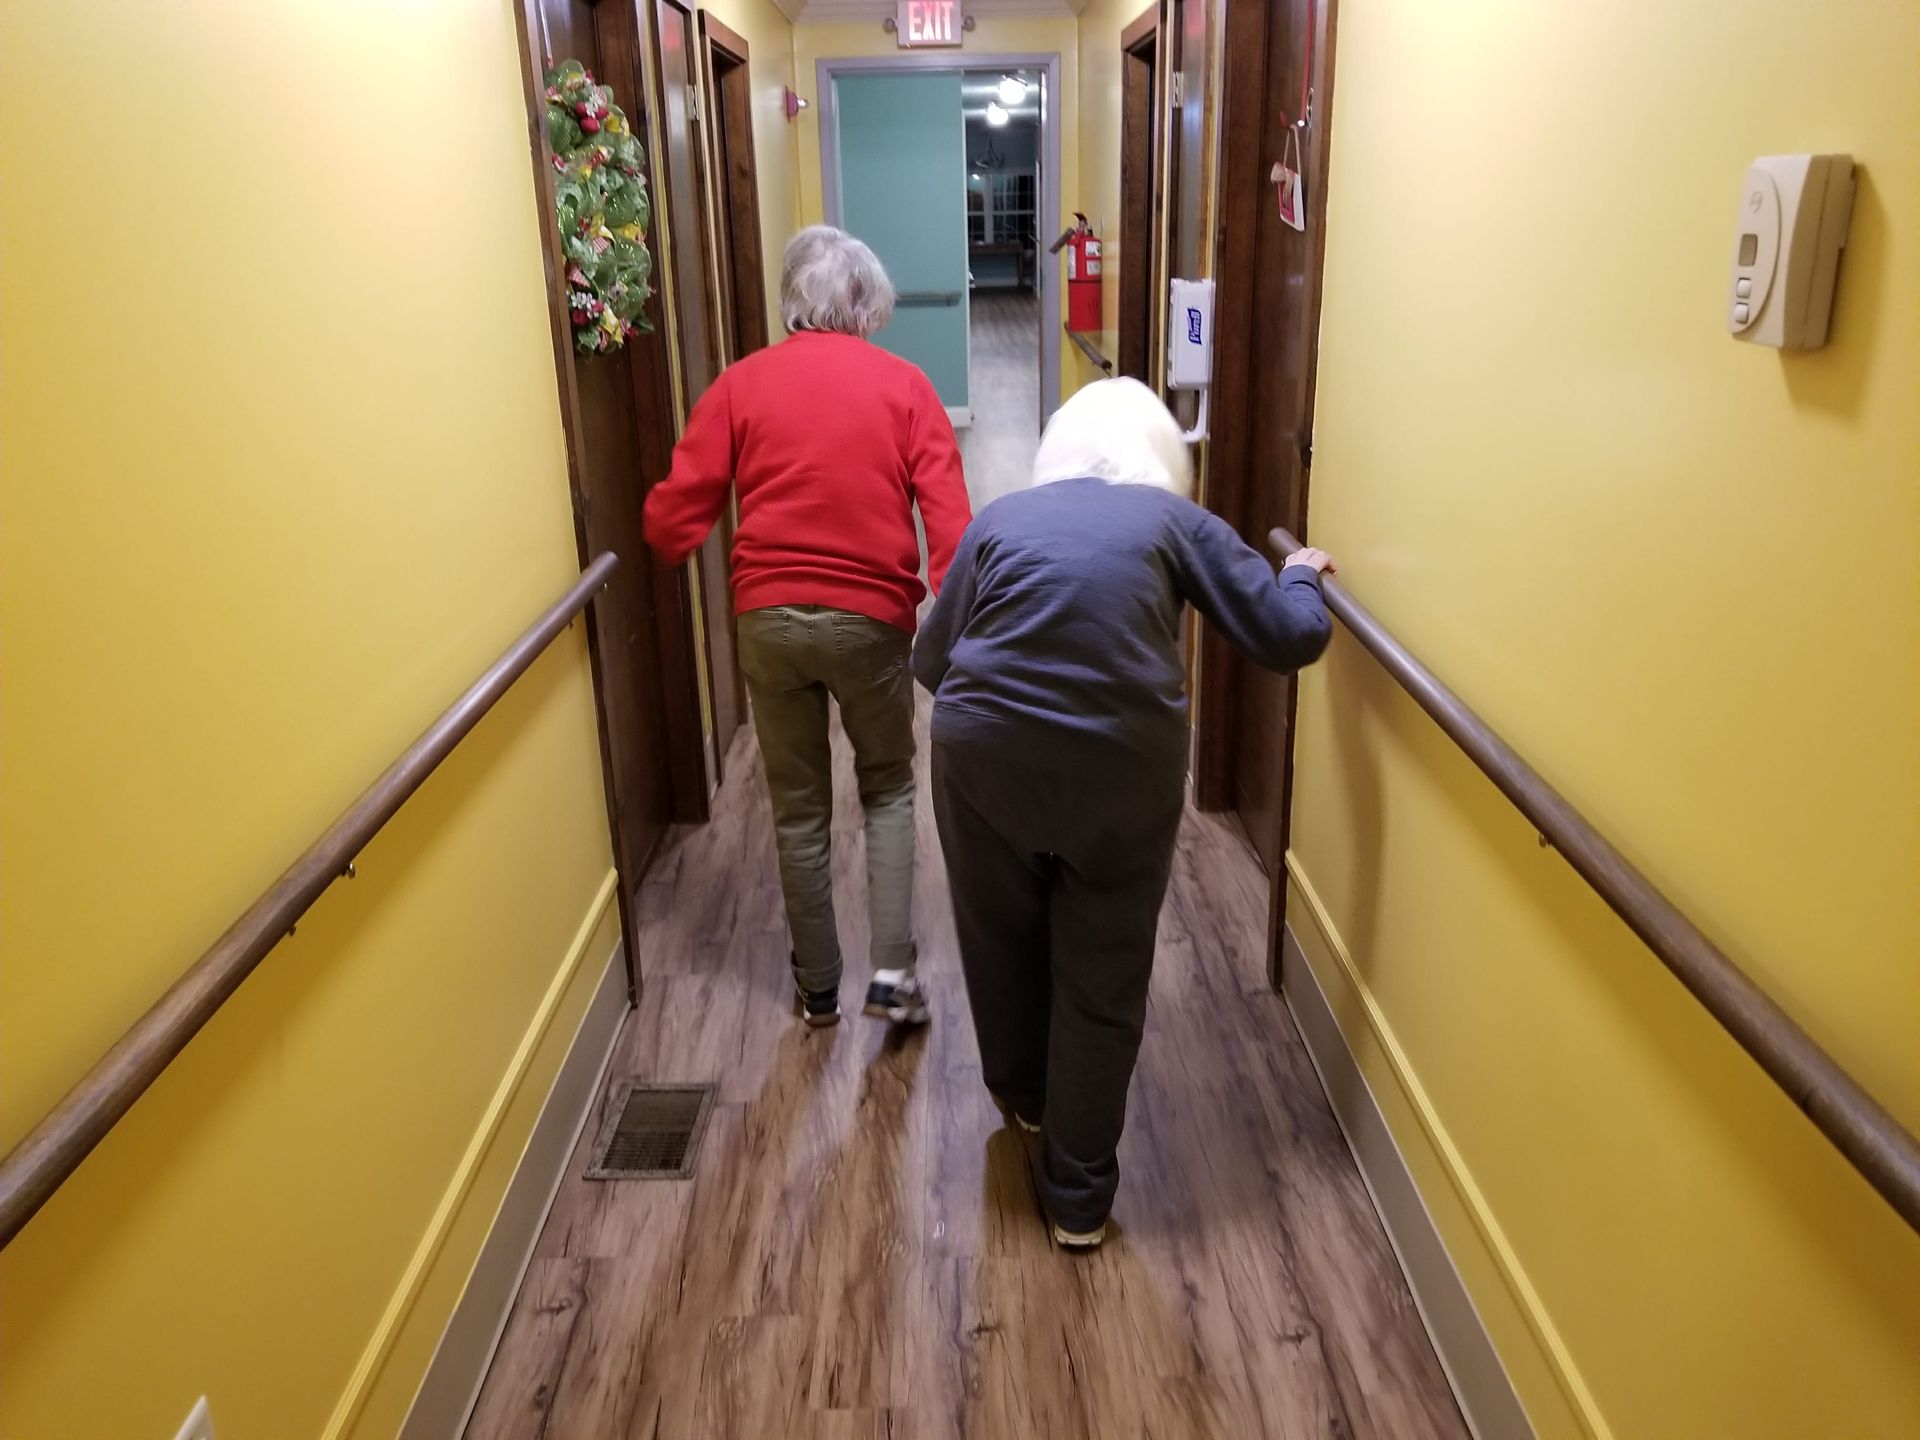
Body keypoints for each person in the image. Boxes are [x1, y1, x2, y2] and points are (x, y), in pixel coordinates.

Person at [913, 377, 1336, 1248]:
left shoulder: (1001, 520)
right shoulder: (1173, 523)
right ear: (1158, 456)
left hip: (983, 757)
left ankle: (1026, 1105)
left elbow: (929, 660)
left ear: (1057, 449)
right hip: (1121, 767)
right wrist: (1299, 577)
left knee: (1000, 943)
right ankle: (1077, 1198)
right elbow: (1289, 637)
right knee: (1103, 970)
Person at [644, 226, 972, 1029]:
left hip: (768, 619)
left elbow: (671, 521)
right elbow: (953, 528)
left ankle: (817, 987)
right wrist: (959, 629)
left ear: (795, 302)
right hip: (871, 621)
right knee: (889, 789)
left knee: (798, 808)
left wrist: (674, 527)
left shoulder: (739, 385)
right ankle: (892, 977)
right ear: (862, 305)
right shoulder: (905, 387)